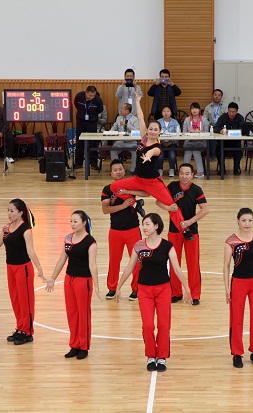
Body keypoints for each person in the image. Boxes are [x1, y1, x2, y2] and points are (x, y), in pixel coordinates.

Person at [109, 94, 195, 242]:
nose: (152, 131)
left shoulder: (157, 146)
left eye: (156, 130)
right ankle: (136, 203)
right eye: (151, 129)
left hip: (153, 182)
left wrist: (147, 155)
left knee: (172, 206)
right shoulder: (143, 138)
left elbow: (152, 151)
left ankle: (185, 229)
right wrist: (137, 101)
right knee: (114, 187)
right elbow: (141, 118)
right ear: (148, 130)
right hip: (137, 180)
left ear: (159, 132)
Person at [116, 213, 191, 372]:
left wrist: (187, 288)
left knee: (164, 325)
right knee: (148, 325)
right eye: (143, 224)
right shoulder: (139, 246)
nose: (144, 227)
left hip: (163, 289)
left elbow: (177, 268)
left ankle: (162, 357)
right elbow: (129, 267)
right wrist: (119, 286)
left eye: (147, 224)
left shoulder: (167, 246)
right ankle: (151, 355)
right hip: (144, 290)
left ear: (156, 226)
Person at [45, 211, 101, 359]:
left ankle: (84, 346)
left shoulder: (90, 242)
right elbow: (61, 260)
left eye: (75, 221)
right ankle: (74, 345)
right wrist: (52, 278)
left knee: (83, 314)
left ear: (84, 223)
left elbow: (93, 265)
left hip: (83, 281)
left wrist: (96, 285)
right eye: (71, 221)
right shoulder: (68, 238)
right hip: (69, 280)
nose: (72, 224)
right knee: (72, 313)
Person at [0, 199, 45, 345]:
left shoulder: (26, 230)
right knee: (15, 299)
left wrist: (39, 268)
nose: (9, 214)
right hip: (10, 268)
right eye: (8, 211)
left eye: (12, 211)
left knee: (25, 301)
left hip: (23, 268)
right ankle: (20, 328)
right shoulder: (6, 229)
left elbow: (31, 251)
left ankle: (27, 332)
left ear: (20, 213)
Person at [223, 208, 253, 368]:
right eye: (244, 220)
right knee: (236, 319)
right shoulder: (231, 241)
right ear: (238, 220)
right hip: (238, 283)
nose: (247, 223)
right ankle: (237, 353)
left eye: (250, 220)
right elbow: (226, 266)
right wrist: (226, 288)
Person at [157, 163, 209, 305]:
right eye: (181, 173)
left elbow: (205, 209)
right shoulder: (172, 187)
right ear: (178, 173)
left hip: (191, 231)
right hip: (174, 231)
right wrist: (168, 207)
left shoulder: (196, 189)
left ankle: (195, 295)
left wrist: (189, 222)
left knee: (193, 264)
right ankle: (176, 293)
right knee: (174, 262)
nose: (184, 176)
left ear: (192, 175)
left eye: (187, 174)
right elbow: (158, 202)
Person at [101, 159, 145, 301]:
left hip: (133, 229)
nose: (118, 172)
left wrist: (128, 191)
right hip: (115, 231)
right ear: (111, 173)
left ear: (124, 171)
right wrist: (123, 206)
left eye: (120, 169)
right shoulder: (107, 189)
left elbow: (146, 193)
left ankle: (136, 289)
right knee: (114, 260)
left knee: (137, 260)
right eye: (115, 170)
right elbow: (105, 209)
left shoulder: (131, 184)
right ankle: (112, 288)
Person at [74, 86, 104, 169]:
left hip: (92, 122)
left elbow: (100, 110)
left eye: (93, 95)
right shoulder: (79, 96)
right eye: (90, 95)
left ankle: (93, 163)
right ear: (86, 92)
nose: (92, 97)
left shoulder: (98, 100)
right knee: (79, 142)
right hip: (80, 121)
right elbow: (76, 105)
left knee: (93, 142)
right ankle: (78, 162)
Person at [215, 102, 246, 175]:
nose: (231, 113)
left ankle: (236, 168)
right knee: (218, 149)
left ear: (237, 111)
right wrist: (220, 130)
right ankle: (222, 169)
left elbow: (242, 130)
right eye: (229, 111)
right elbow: (216, 127)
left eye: (233, 112)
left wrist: (229, 131)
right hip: (224, 141)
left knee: (238, 150)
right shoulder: (223, 117)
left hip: (235, 141)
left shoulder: (240, 118)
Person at [182, 102, 209, 178]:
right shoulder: (187, 120)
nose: (194, 110)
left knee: (196, 150)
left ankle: (200, 172)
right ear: (190, 110)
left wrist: (200, 131)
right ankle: (185, 172)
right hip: (189, 141)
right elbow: (183, 133)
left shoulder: (204, 119)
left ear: (199, 110)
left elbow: (207, 132)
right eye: (192, 108)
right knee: (188, 150)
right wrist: (189, 132)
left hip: (200, 141)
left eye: (196, 108)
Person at [109, 103, 139, 173]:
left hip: (131, 142)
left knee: (136, 152)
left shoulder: (135, 119)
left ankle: (133, 170)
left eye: (122, 109)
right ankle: (118, 168)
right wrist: (110, 132)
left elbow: (137, 131)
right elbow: (114, 127)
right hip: (120, 142)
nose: (120, 110)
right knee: (113, 150)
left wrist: (127, 125)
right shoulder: (119, 118)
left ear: (127, 111)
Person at [156, 106, 180, 177]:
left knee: (172, 155)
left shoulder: (175, 122)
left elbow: (179, 134)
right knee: (160, 155)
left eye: (168, 111)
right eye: (164, 111)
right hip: (161, 143)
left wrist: (171, 142)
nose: (166, 113)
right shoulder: (158, 122)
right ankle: (160, 170)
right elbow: (155, 134)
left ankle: (172, 169)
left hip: (172, 143)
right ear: (161, 113)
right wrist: (161, 142)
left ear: (171, 113)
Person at [204, 89, 226, 161]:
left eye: (219, 95)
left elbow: (227, 118)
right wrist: (210, 126)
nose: (217, 96)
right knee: (211, 134)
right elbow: (204, 119)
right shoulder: (208, 107)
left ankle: (216, 154)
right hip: (211, 126)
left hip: (221, 127)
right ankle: (212, 155)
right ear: (212, 96)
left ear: (221, 97)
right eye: (215, 95)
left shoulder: (225, 106)